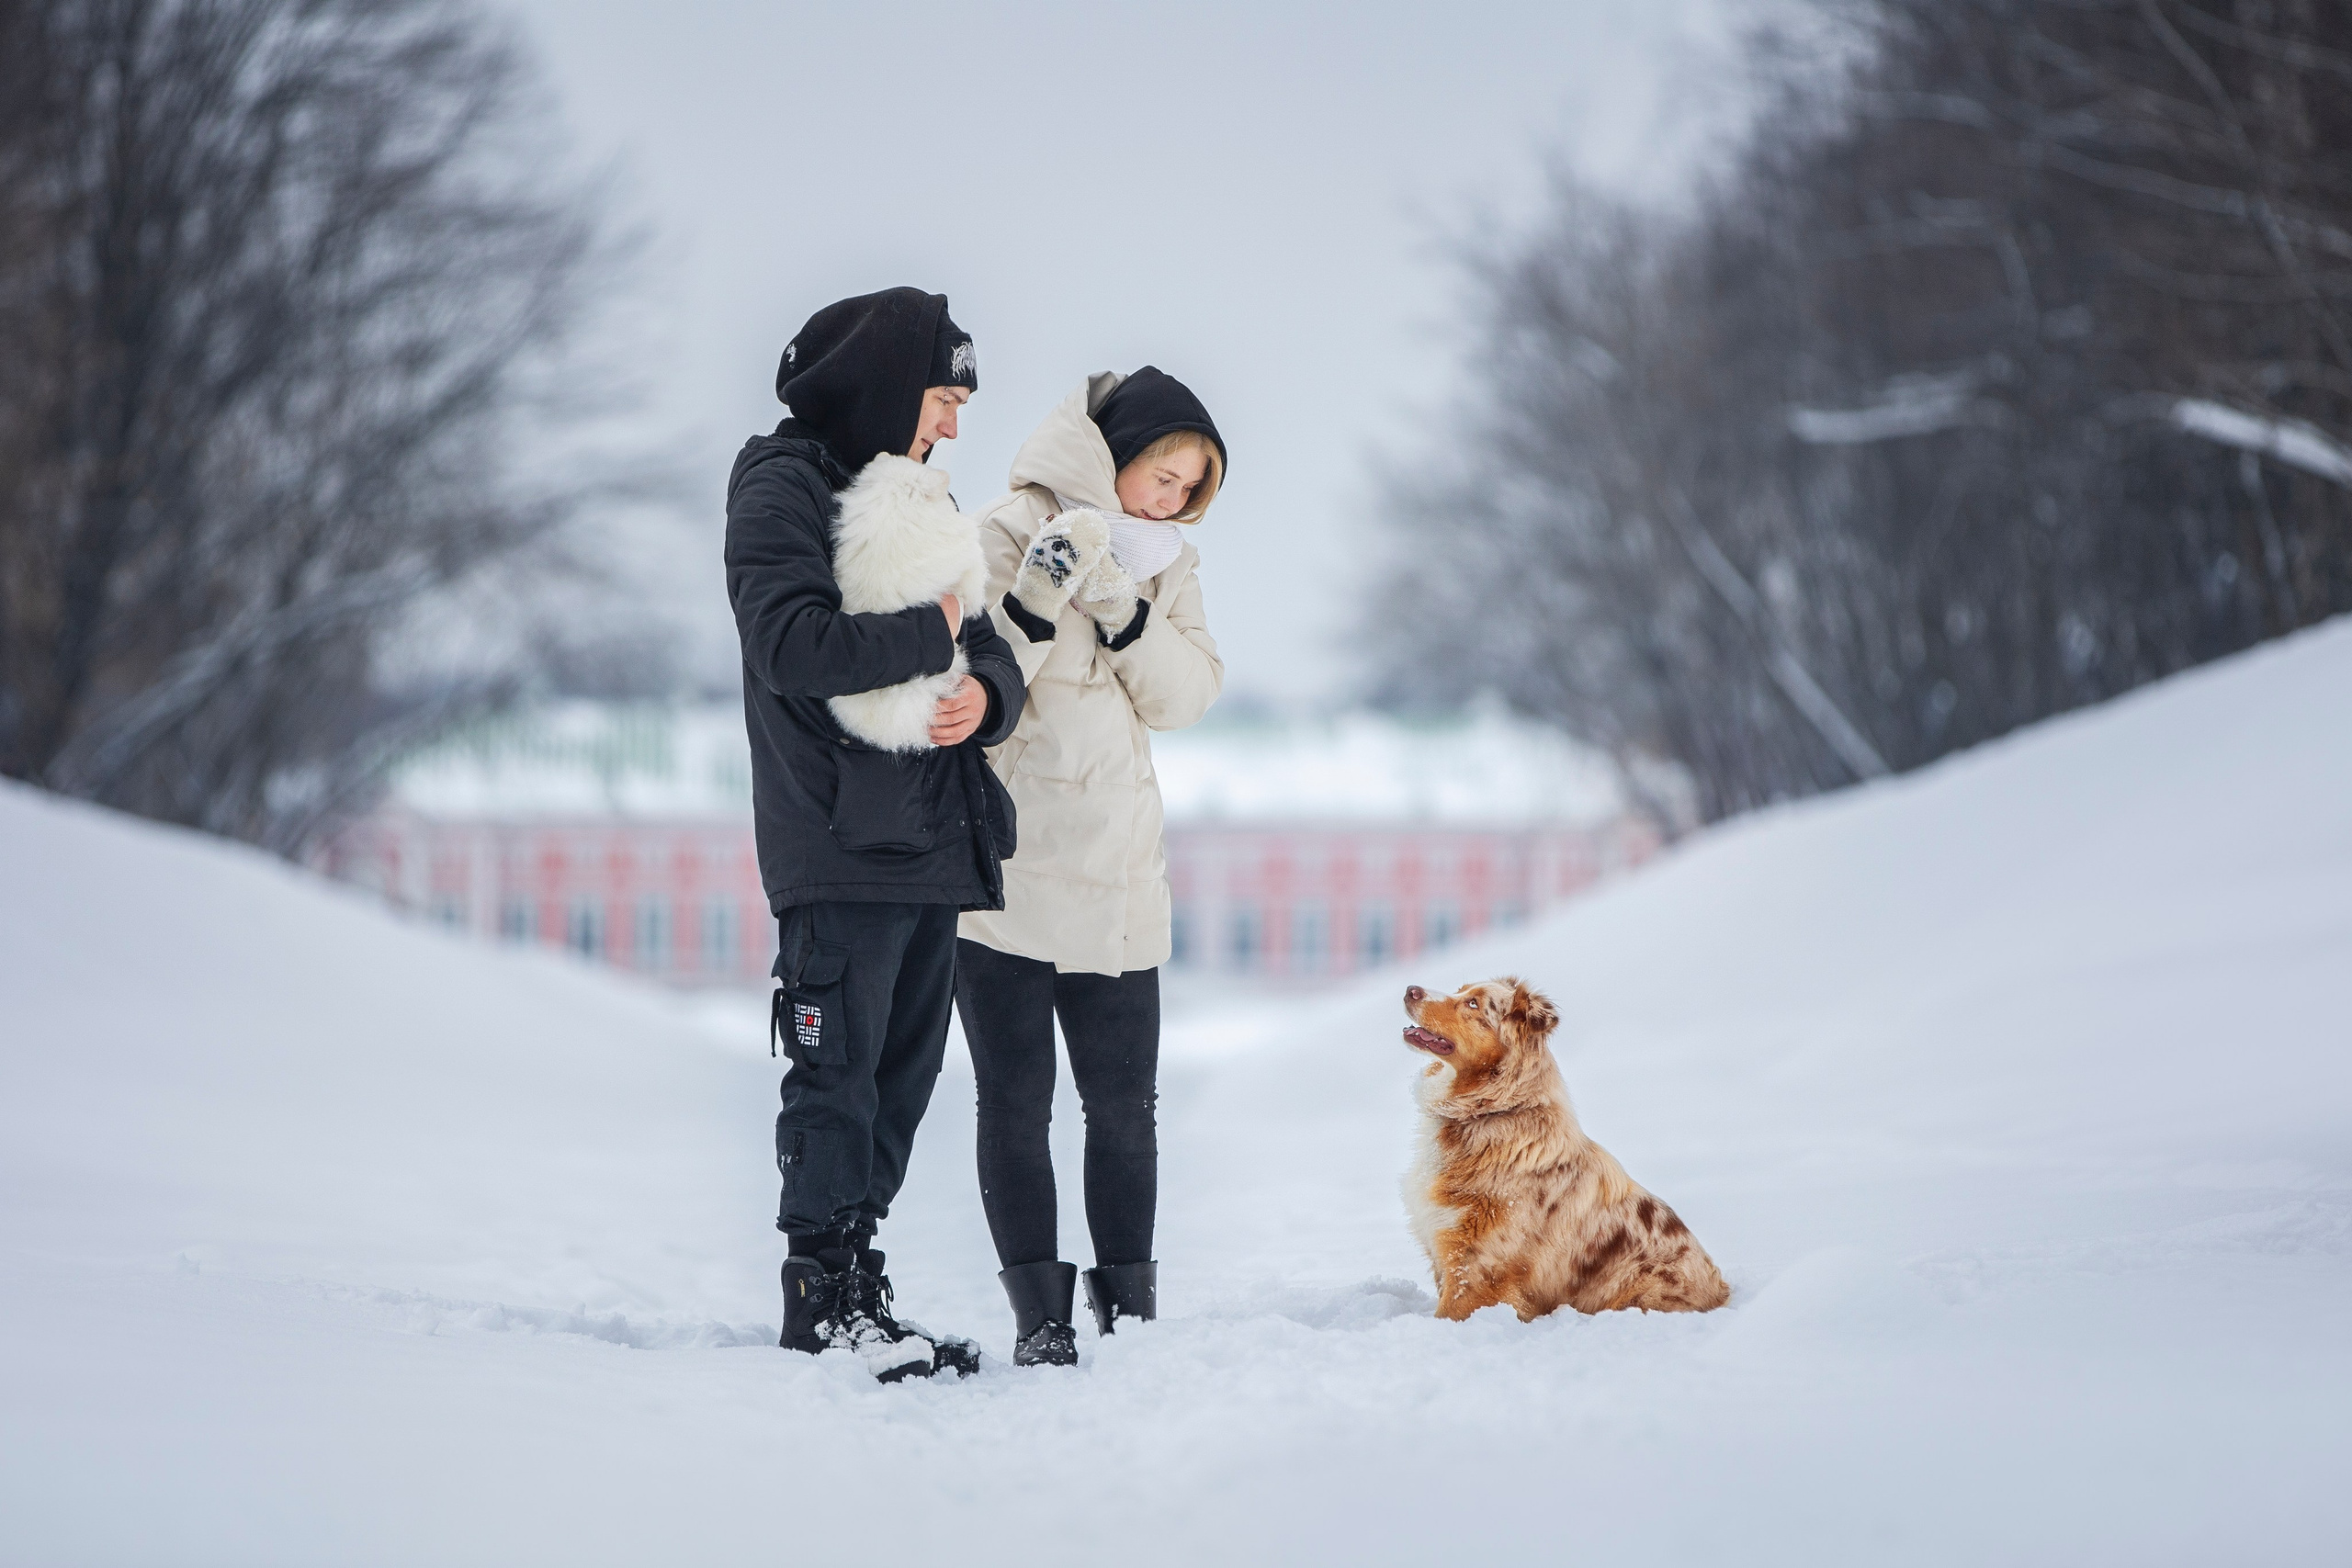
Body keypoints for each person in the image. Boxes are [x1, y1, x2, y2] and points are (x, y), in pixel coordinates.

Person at [724, 287, 1024, 1381]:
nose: (951, 424)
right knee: (835, 1078)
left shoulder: (917, 492)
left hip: (933, 844)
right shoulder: (780, 483)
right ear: (889, 387)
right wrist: (926, 633)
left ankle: (860, 1284)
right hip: (835, 841)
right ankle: (820, 1301)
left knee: (899, 1085)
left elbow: (986, 643)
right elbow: (790, 645)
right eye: (942, 398)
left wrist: (986, 698)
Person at [953, 367, 1227, 1365]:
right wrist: (1037, 590)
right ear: (1115, 453)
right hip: (1007, 873)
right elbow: (965, 692)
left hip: (1116, 873)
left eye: (1192, 487)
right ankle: (1040, 1321)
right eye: (1164, 475)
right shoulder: (1002, 528)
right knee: (1014, 1104)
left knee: (1123, 1106)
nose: (1175, 500)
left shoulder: (1167, 562)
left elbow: (1186, 694)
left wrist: (1121, 604)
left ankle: (1131, 1317)